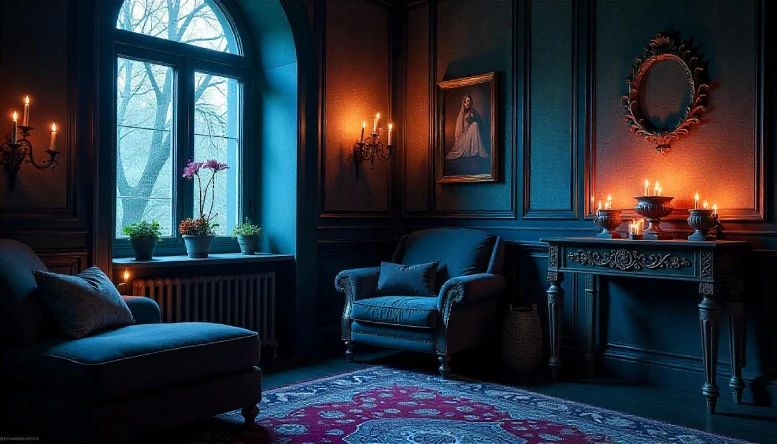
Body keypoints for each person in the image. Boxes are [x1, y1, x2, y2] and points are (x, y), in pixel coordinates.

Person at [445, 94, 488, 160]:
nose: (466, 103)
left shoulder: (473, 112)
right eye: (465, 102)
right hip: (463, 135)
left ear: (471, 102)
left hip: (471, 134)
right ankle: (472, 151)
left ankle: (475, 151)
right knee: (475, 124)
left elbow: (480, 123)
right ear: (463, 103)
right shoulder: (462, 114)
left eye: (468, 101)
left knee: (475, 124)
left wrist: (472, 117)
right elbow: (459, 129)